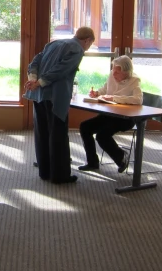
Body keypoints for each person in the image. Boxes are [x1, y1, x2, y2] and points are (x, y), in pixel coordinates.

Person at [24, 27, 95, 184]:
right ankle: (60, 175)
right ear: (87, 40)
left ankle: (45, 171)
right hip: (56, 97)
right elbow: (61, 70)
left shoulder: (53, 44)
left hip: (39, 96)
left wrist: (33, 78)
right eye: (89, 44)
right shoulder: (77, 48)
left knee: (42, 132)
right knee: (58, 135)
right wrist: (40, 82)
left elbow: (35, 61)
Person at [78, 55, 142, 173]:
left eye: (117, 72)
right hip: (108, 114)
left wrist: (115, 98)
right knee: (85, 127)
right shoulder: (112, 75)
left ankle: (121, 157)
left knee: (102, 136)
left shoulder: (134, 81)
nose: (114, 74)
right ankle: (92, 162)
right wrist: (96, 93)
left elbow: (138, 100)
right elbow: (105, 90)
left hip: (125, 119)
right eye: (113, 71)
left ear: (127, 72)